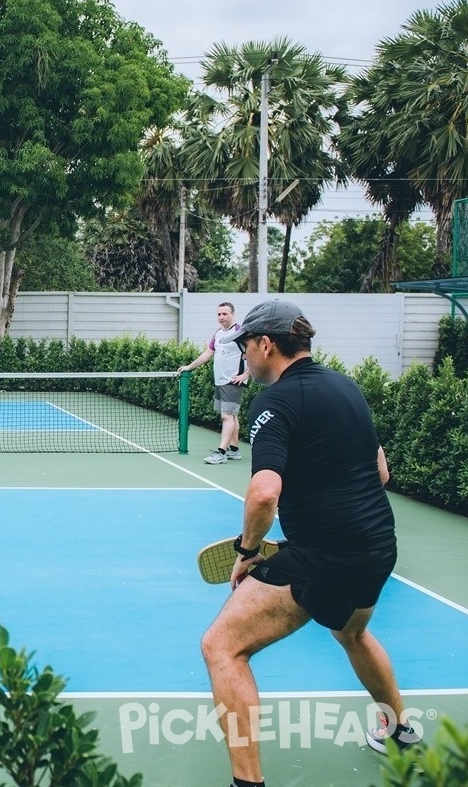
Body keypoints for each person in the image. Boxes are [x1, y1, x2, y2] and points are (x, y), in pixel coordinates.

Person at [200, 299, 415, 787]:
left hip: (324, 557)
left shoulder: (273, 401)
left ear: (266, 345)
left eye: (247, 346)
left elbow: (263, 494)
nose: (245, 357)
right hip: (379, 547)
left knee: (222, 647)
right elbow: (379, 472)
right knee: (352, 633)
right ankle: (400, 728)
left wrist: (248, 551)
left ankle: (246, 783)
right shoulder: (346, 387)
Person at [177, 302, 249, 464]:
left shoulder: (240, 332)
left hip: (233, 381)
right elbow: (209, 352)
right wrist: (190, 367)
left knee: (226, 416)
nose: (222, 317)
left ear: (233, 315)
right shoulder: (218, 334)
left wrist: (245, 375)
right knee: (232, 415)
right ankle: (234, 450)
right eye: (219, 314)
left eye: (225, 314)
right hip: (220, 380)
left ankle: (221, 452)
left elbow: (253, 352)